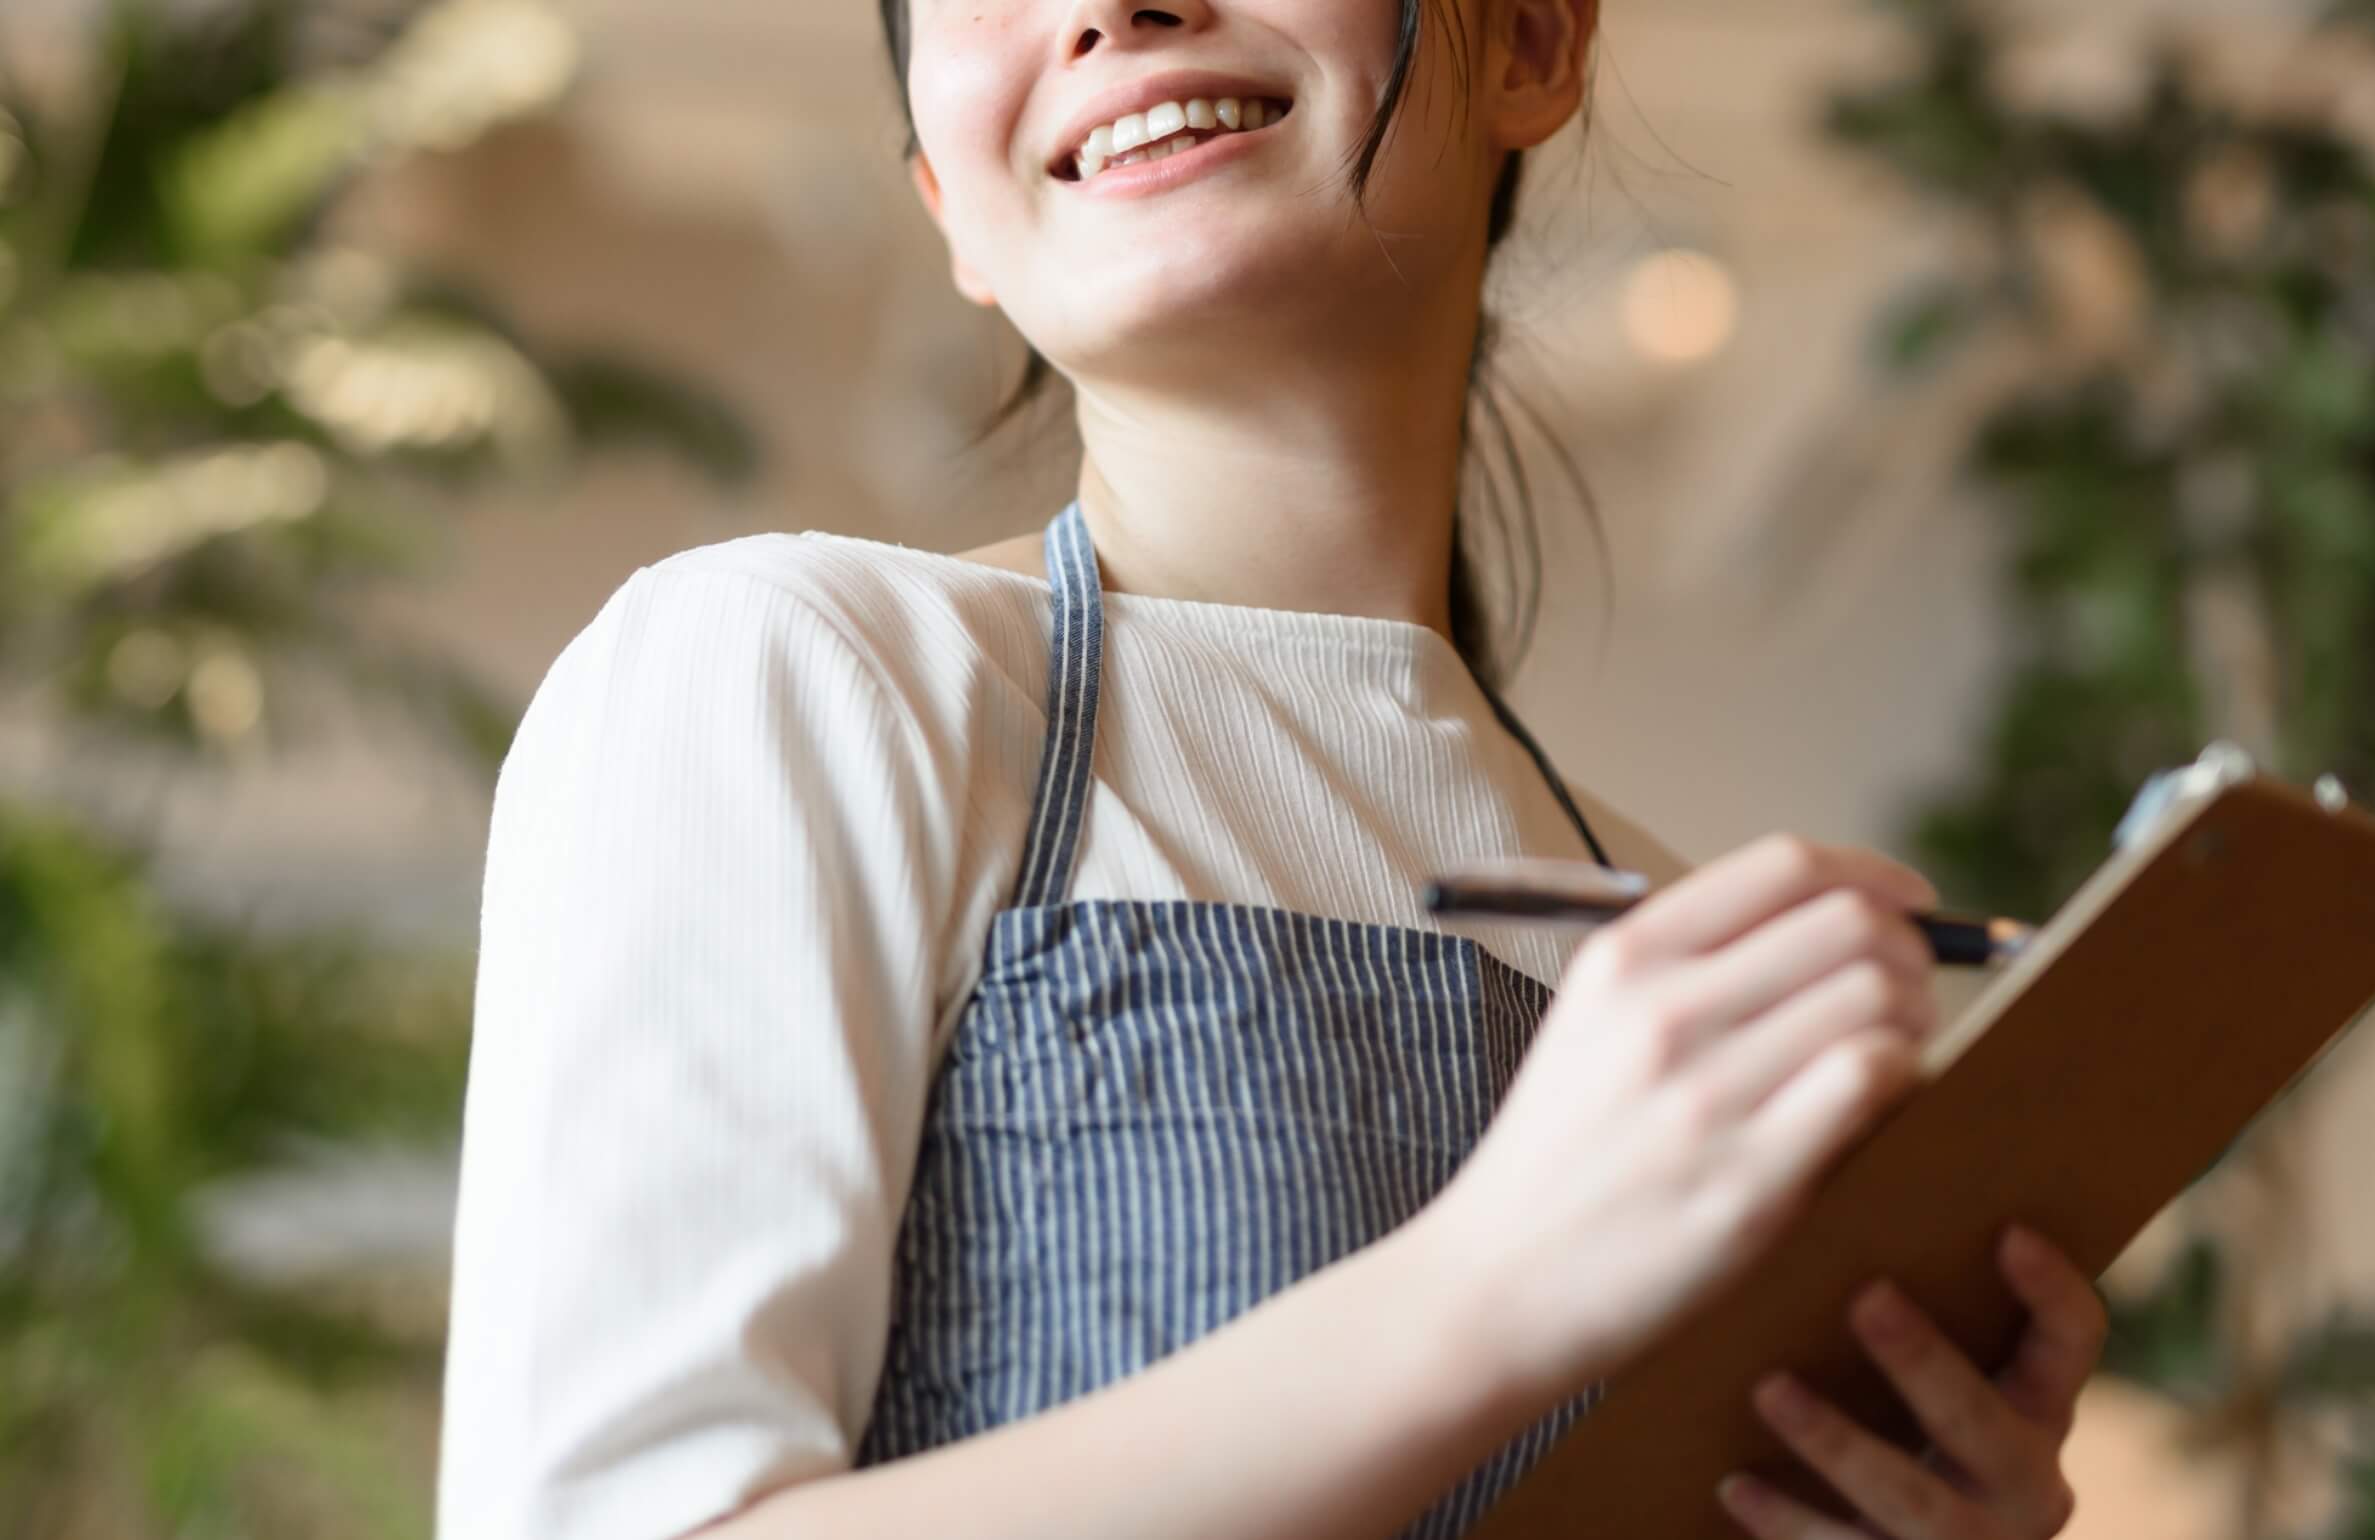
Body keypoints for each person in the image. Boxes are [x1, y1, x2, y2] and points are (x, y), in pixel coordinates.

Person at [434, 1, 2110, 1537]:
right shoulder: (808, 676)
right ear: (948, 195)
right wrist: (1495, 1285)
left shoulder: (1680, 944)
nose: (1108, 8)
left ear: (1529, 39)